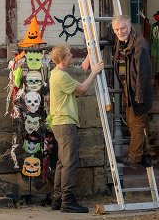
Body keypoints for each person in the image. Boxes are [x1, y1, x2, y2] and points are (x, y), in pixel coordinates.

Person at [48, 45, 104, 213]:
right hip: (66, 123)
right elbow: (82, 89)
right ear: (63, 59)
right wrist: (94, 72)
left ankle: (58, 199)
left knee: (61, 162)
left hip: (59, 123)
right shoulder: (61, 76)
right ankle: (67, 201)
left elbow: (78, 89)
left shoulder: (56, 74)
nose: (72, 56)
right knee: (70, 163)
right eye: (69, 55)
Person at [112, 14, 153, 168]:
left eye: (123, 28)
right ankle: (146, 154)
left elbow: (143, 74)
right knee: (133, 123)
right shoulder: (121, 40)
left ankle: (134, 158)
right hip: (128, 89)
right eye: (117, 29)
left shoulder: (140, 45)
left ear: (129, 27)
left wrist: (139, 96)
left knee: (136, 125)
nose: (120, 31)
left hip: (137, 92)